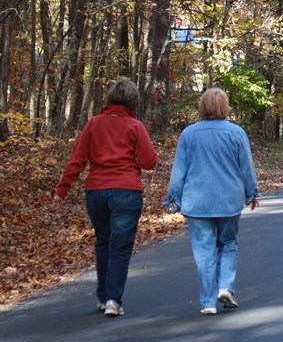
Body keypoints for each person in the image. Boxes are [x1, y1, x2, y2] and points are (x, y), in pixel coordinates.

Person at [53, 79, 157, 317]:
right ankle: (113, 300)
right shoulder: (134, 126)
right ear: (133, 101)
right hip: (126, 191)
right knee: (120, 246)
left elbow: (77, 159)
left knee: (103, 242)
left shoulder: (94, 124)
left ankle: (103, 298)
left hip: (96, 191)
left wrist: (62, 189)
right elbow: (150, 162)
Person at [165, 87, 259, 315]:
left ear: (202, 107)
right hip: (228, 200)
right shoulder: (236, 133)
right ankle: (225, 286)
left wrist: (173, 197)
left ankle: (208, 303)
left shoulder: (189, 134)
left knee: (204, 251)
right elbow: (246, 166)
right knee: (228, 244)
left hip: (197, 203)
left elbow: (179, 170)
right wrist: (252, 192)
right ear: (225, 107)